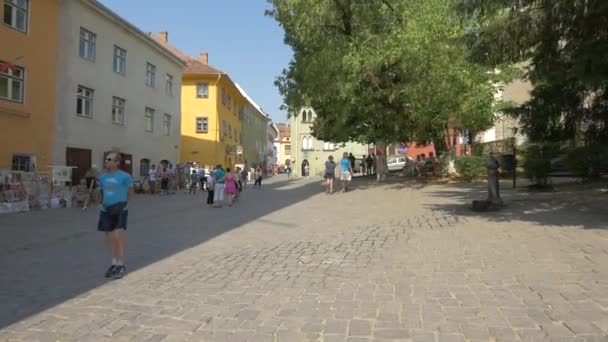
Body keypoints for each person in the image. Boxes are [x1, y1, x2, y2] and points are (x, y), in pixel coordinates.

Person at [98, 152, 133, 279]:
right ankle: (113, 262)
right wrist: (101, 204)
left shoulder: (125, 176)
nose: (106, 161)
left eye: (109, 159)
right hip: (105, 210)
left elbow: (130, 192)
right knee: (109, 237)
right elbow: (101, 192)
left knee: (117, 235)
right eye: (106, 159)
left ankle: (121, 263)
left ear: (117, 162)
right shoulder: (103, 177)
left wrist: (123, 205)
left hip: (120, 209)